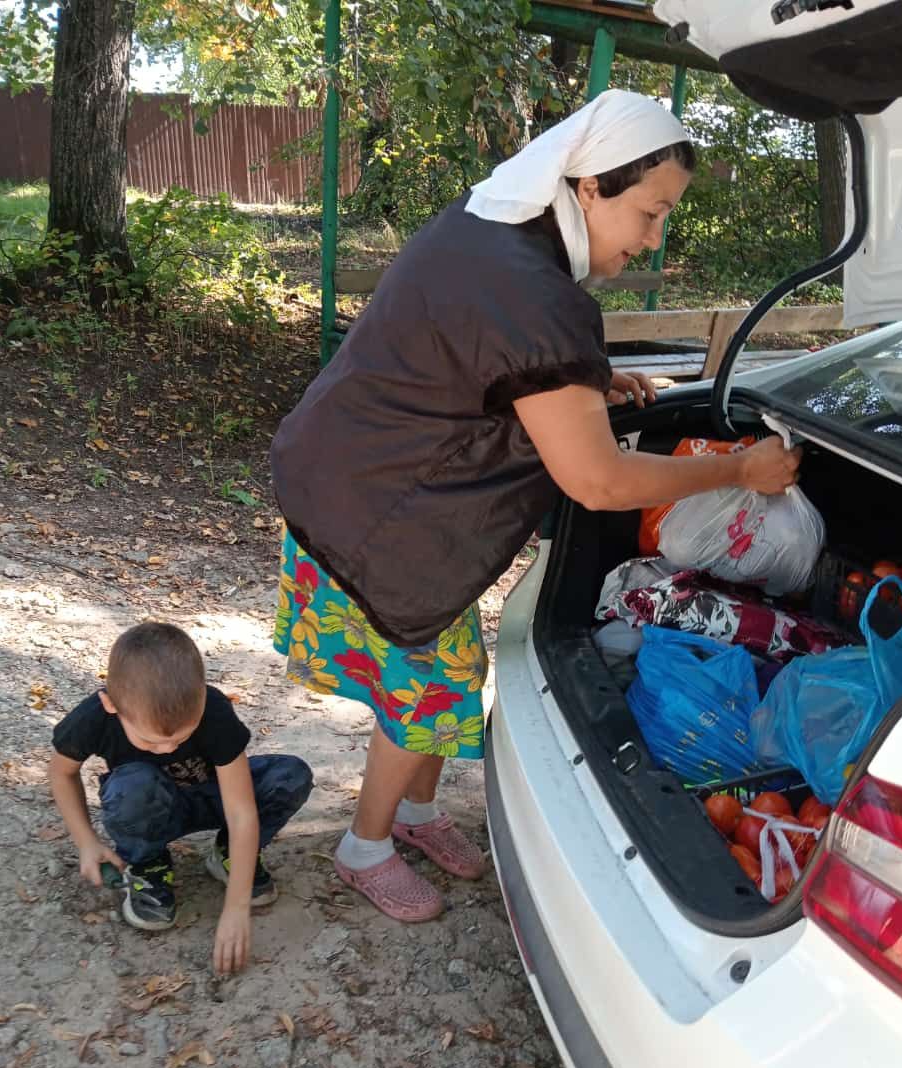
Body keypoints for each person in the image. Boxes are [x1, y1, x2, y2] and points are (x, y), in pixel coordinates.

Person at [271, 90, 800, 924]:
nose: (654, 238)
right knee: (431, 694)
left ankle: (413, 815)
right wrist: (739, 471)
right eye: (650, 212)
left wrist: (587, 384)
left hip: (341, 472)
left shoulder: (489, 228)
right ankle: (362, 847)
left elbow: (489, 367)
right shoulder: (537, 297)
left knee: (447, 678)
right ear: (588, 188)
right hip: (385, 515)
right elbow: (599, 483)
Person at [48, 622, 313, 973]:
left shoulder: (213, 709)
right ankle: (149, 863)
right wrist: (86, 841)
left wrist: (235, 908)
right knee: (130, 789)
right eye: (151, 742)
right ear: (111, 705)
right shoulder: (94, 717)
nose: (169, 748)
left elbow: (241, 811)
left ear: (203, 695)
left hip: (212, 795)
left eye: (181, 736)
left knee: (290, 776)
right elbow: (61, 772)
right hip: (152, 805)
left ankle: (230, 856)